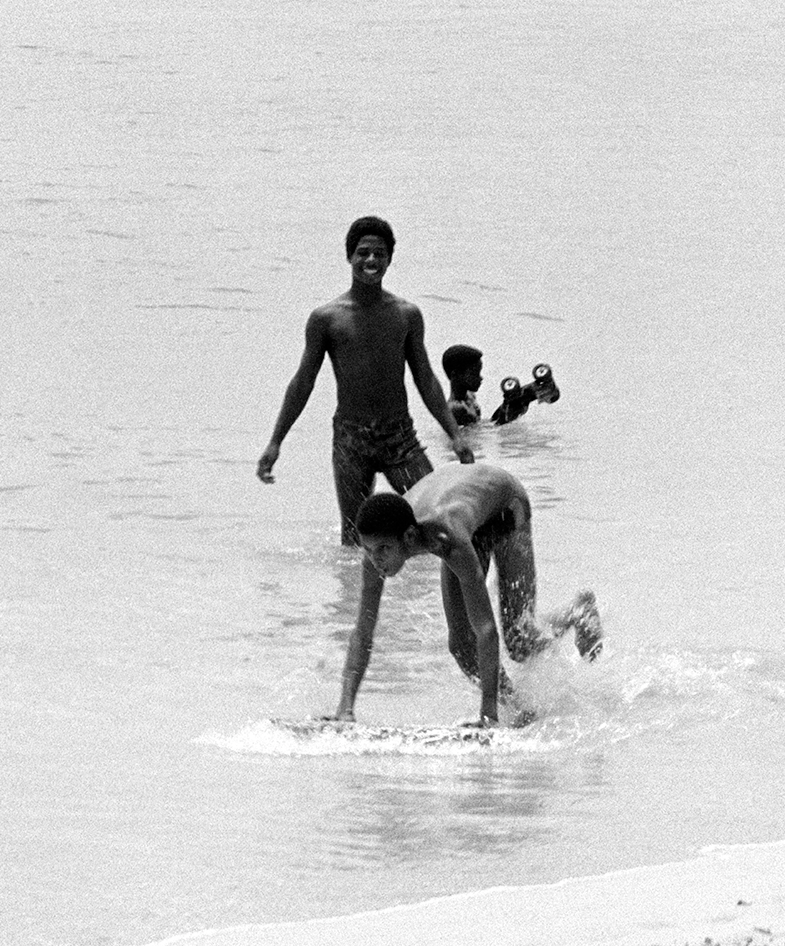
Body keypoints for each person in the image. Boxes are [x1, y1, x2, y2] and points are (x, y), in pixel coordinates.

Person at [330, 462, 601, 727]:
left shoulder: (446, 536)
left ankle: (578, 611)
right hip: (461, 495)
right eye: (369, 550)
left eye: (384, 550)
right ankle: (521, 710)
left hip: (505, 504)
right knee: (461, 645)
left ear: (410, 537)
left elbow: (485, 629)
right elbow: (362, 631)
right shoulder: (376, 549)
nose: (376, 559)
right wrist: (345, 708)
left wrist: (487, 715)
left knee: (519, 641)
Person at [256, 216, 473, 546]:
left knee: (435, 524)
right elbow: (303, 383)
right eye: (363, 252)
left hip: (400, 438)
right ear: (350, 257)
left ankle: (427, 595)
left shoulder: (406, 315)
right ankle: (354, 597)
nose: (371, 260)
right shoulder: (327, 319)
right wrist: (275, 442)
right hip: (351, 441)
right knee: (355, 540)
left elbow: (425, 379)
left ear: (389, 259)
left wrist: (455, 436)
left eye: (379, 254)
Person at [441, 343, 484, 426]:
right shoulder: (456, 409)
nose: (480, 378)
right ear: (455, 375)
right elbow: (473, 435)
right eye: (474, 373)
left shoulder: (470, 396)